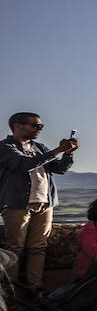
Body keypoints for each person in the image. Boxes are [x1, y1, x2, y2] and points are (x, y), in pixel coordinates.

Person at [1, 112, 78, 297]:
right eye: (35, 125)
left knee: (38, 247)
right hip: (17, 204)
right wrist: (57, 151)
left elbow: (59, 169)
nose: (40, 129)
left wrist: (67, 154)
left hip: (45, 203)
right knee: (15, 248)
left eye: (41, 126)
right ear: (18, 125)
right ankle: (12, 293)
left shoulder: (39, 147)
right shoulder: (5, 147)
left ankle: (35, 289)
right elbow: (23, 165)